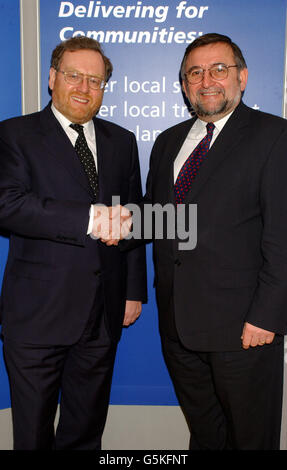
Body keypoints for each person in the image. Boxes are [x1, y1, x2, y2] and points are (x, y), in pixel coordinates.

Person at [140, 33, 287, 449]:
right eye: (195, 72)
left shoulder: (275, 137)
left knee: (250, 438)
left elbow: (283, 236)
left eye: (219, 69)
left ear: (242, 76)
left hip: (244, 329)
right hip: (178, 325)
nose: (208, 80)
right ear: (185, 85)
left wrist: (267, 317)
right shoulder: (169, 141)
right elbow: (159, 218)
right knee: (205, 435)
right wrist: (100, 221)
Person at [0, 36, 147, 450]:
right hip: (36, 317)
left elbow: (131, 216)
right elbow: (7, 204)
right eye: (74, 76)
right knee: (32, 435)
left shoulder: (121, 141)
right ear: (52, 78)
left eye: (95, 81)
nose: (84, 88)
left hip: (102, 314)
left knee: (85, 432)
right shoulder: (15, 134)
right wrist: (88, 218)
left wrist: (132, 291)